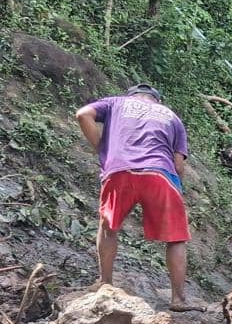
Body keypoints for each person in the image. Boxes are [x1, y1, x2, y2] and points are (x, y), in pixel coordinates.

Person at [75, 84, 199, 311]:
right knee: (176, 237)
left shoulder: (115, 103)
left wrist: (101, 148)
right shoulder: (172, 117)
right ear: (157, 101)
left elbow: (83, 114)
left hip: (120, 170)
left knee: (108, 226)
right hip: (160, 173)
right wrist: (177, 187)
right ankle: (179, 300)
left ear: (131, 96)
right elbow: (178, 164)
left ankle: (105, 283)